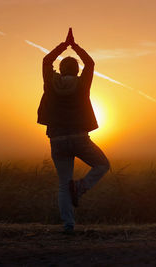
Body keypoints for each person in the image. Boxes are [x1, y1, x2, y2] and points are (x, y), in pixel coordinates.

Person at [37, 28, 110, 234]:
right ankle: (80, 187)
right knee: (102, 164)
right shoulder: (82, 85)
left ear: (60, 69)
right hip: (80, 138)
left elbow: (45, 61)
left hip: (57, 140)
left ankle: (68, 225)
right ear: (77, 70)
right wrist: (75, 46)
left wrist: (63, 45)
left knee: (63, 184)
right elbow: (91, 64)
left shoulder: (50, 83)